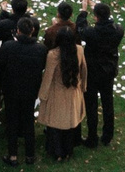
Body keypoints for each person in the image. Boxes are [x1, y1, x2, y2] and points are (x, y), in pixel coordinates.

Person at [0, 16, 46, 165]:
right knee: (28, 120)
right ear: (32, 31)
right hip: (30, 90)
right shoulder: (41, 49)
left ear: (18, 31)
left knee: (11, 120)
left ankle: (13, 155)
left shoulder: (8, 47)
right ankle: (30, 155)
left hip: (11, 89)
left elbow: (0, 64)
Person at [38, 23, 88, 159]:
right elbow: (84, 69)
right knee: (70, 123)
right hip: (73, 92)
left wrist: (42, 96)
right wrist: (83, 87)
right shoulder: (79, 50)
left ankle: (57, 152)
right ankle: (68, 151)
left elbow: (48, 77)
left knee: (56, 125)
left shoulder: (53, 55)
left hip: (57, 93)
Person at [83, 2, 124, 146]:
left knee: (91, 104)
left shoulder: (91, 33)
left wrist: (83, 11)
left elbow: (80, 29)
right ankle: (107, 135)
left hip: (93, 72)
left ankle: (92, 137)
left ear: (96, 17)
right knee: (108, 103)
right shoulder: (118, 30)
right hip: (108, 71)